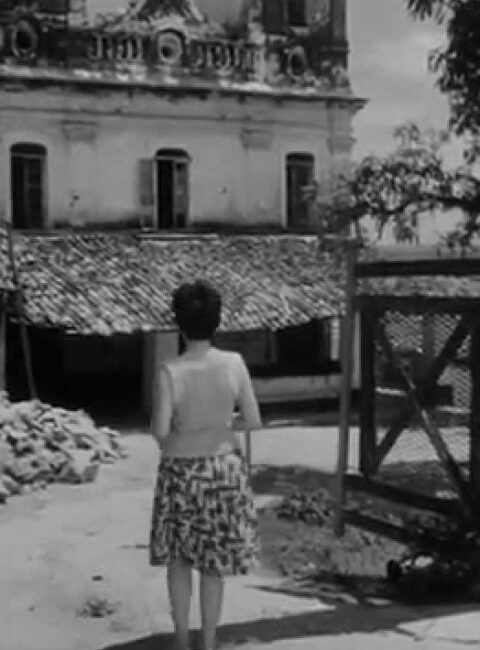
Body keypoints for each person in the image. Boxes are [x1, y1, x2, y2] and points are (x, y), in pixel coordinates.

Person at [149, 280, 262, 650]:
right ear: (217, 321)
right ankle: (209, 641)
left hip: (180, 471)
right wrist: (221, 425)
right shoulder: (234, 364)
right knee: (214, 564)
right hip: (223, 468)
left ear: (178, 323)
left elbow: (160, 430)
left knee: (179, 560)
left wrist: (186, 430)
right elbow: (253, 420)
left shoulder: (170, 370)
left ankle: (182, 639)